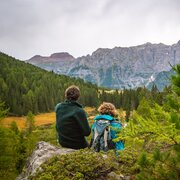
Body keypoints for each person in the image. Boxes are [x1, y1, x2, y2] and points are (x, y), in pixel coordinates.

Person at [55, 85, 91, 149]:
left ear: (66, 95)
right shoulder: (79, 111)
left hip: (62, 142)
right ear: (78, 97)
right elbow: (87, 132)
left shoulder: (58, 107)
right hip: (77, 145)